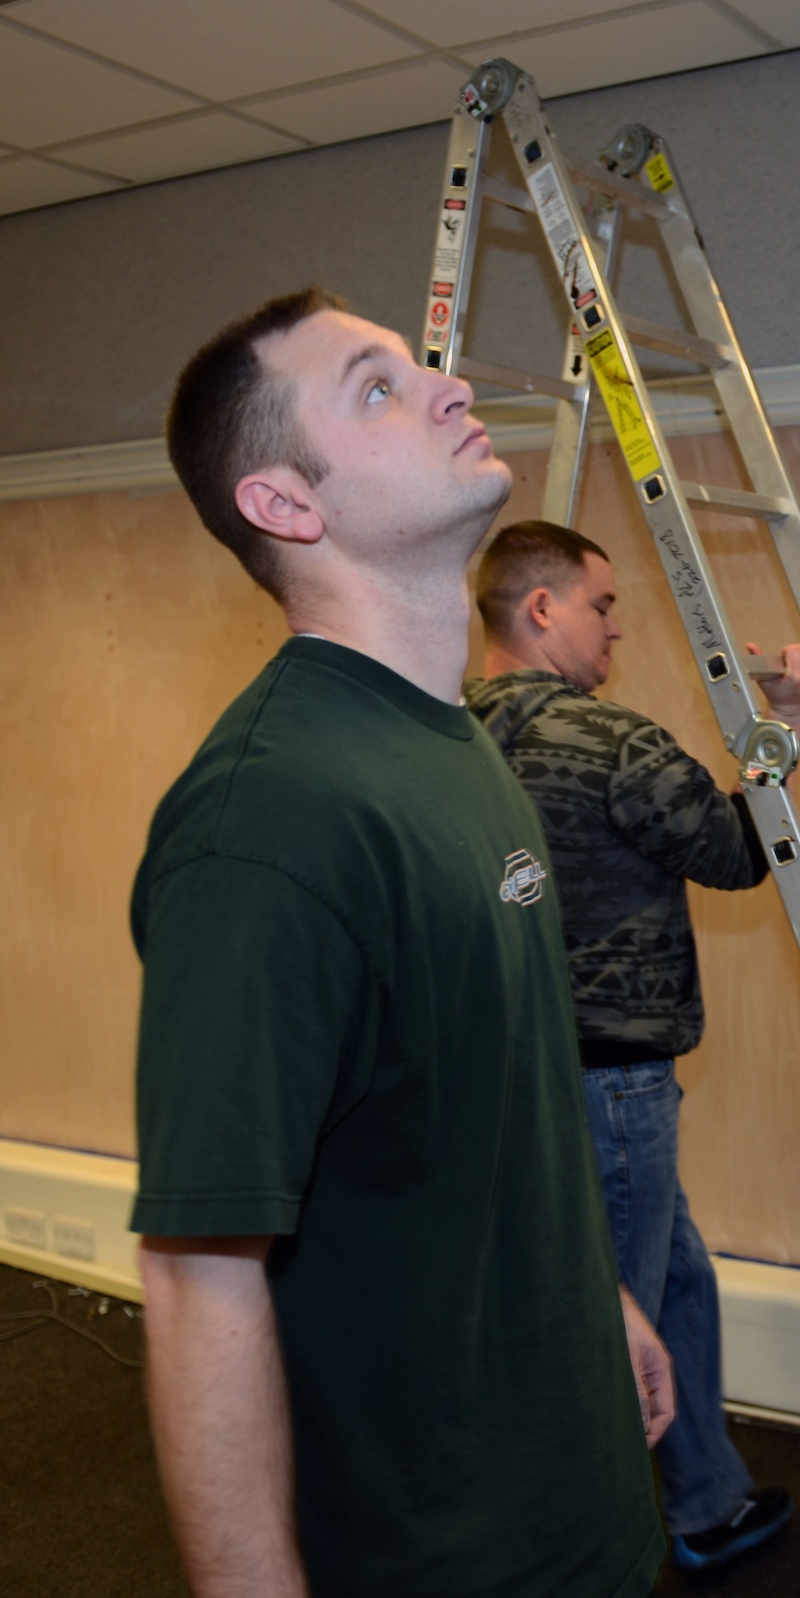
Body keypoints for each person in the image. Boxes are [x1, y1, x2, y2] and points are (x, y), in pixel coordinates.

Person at [132, 288, 672, 1598]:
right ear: (284, 504)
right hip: (437, 1546)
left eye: (417, 366)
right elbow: (201, 1277)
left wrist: (594, 1297)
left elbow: (480, 1107)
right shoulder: (267, 821)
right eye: (374, 387)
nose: (445, 386)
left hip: (575, 1493)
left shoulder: (451, 743)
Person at [467, 519, 800, 1572]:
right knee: (606, 1326)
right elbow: (735, 854)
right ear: (541, 610)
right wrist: (783, 724)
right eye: (602, 604)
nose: (615, 629)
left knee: (672, 1283)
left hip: (489, 1078)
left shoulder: (436, 738)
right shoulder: (607, 740)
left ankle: (706, 1502)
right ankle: (585, 1554)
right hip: (607, 1085)